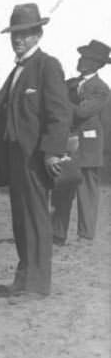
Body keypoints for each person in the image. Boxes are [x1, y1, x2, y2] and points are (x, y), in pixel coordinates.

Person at [0, 3, 70, 299]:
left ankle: (37, 285)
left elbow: (60, 114)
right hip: (16, 157)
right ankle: (23, 280)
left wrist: (51, 152)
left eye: (24, 33)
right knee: (21, 219)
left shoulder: (47, 66)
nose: (18, 39)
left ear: (38, 34)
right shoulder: (17, 71)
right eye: (15, 34)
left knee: (36, 218)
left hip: (35, 157)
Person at [51, 39, 110, 245]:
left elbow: (82, 112)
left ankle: (85, 235)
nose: (81, 60)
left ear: (97, 64)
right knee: (62, 187)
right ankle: (57, 234)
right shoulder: (70, 84)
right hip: (68, 142)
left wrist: (60, 103)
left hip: (88, 146)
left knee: (87, 190)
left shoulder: (101, 89)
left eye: (87, 58)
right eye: (82, 56)